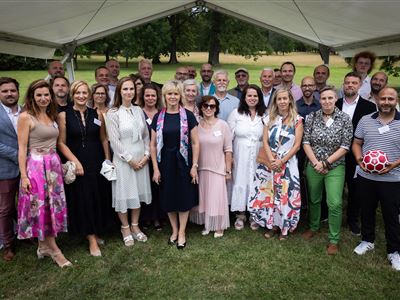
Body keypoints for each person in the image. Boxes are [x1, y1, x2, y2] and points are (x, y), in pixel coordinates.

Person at [17, 79, 70, 267]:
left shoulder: (51, 115)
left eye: (46, 94)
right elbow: (22, 148)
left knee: (51, 205)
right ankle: (55, 250)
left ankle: (43, 246)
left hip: (53, 166)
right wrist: (24, 176)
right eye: (38, 95)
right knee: (41, 207)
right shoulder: (26, 117)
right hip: (37, 168)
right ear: (32, 97)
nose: (43, 98)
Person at [57, 80, 112, 257]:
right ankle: (91, 239)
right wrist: (75, 161)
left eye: (84, 93)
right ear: (73, 95)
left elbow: (104, 139)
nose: (81, 96)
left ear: (89, 95)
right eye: (78, 93)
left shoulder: (97, 114)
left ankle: (96, 230)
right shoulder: (64, 116)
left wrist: (107, 160)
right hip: (78, 164)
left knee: (96, 197)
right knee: (84, 199)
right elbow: (61, 143)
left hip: (96, 161)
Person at [352, 87, 400, 271]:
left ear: (396, 100)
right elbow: (357, 143)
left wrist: (393, 164)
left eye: (390, 98)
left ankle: (394, 251)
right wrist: (359, 160)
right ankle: (367, 240)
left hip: (393, 179)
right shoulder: (366, 120)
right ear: (376, 100)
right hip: (366, 176)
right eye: (383, 98)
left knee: (391, 216)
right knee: (367, 211)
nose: (386, 102)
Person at [302, 86, 353, 255]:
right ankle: (314, 226)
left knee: (334, 202)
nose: (327, 102)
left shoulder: (345, 119)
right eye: (323, 98)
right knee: (314, 199)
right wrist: (316, 163)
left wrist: (325, 163)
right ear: (320, 100)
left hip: (335, 166)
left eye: (330, 98)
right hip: (314, 164)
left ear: (336, 99)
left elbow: (345, 146)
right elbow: (306, 142)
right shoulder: (311, 117)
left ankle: (333, 239)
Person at [150, 80, 199, 249]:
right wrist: (156, 169)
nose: (172, 97)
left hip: (183, 162)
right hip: (165, 163)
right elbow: (153, 145)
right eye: (169, 94)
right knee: (168, 196)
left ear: (180, 96)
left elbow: (195, 143)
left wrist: (194, 166)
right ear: (165, 96)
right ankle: (174, 230)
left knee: (183, 196)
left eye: (176, 94)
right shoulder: (158, 117)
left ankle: (183, 232)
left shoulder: (188, 116)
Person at [249, 89, 303, 240]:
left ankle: (284, 227)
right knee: (270, 194)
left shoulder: (297, 120)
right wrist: (272, 159)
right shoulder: (268, 118)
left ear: (290, 100)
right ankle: (272, 225)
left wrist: (282, 161)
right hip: (269, 163)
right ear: (275, 101)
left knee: (285, 195)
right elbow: (265, 141)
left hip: (287, 164)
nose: (283, 101)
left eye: (285, 98)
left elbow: (297, 145)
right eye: (279, 99)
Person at [106, 77, 152, 246]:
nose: (128, 92)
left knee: (138, 192)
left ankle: (135, 225)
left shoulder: (138, 110)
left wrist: (146, 155)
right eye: (125, 89)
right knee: (124, 194)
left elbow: (146, 135)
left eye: (131, 89)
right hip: (124, 160)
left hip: (141, 159)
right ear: (119, 91)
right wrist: (131, 160)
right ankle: (125, 227)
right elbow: (114, 141)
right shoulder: (113, 113)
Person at [336, 72, 376, 235]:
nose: (350, 85)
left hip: (356, 155)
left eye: (353, 83)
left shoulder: (369, 107)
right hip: (336, 153)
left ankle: (352, 220)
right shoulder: (335, 103)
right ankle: (333, 218)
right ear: (343, 85)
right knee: (335, 189)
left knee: (355, 190)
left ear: (360, 85)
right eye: (347, 83)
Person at [190, 96, 232, 238]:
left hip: (217, 168)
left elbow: (228, 149)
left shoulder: (223, 125)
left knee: (217, 199)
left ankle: (219, 226)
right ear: (201, 108)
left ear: (216, 108)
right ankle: (208, 224)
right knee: (205, 199)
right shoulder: (196, 125)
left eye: (212, 106)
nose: (208, 108)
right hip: (201, 168)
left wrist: (228, 170)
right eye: (206, 105)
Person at [227, 84, 266, 230]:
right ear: (244, 98)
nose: (252, 98)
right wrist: (229, 157)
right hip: (240, 153)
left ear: (259, 98)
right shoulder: (236, 113)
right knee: (241, 180)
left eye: (255, 95)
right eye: (249, 95)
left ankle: (254, 214)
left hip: (258, 153)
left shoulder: (265, 115)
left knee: (256, 182)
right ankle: (240, 214)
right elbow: (228, 139)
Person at [138, 83, 165, 230]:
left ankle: (158, 217)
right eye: (147, 95)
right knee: (145, 186)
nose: (150, 98)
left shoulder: (162, 113)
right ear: (143, 97)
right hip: (142, 156)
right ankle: (146, 217)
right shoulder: (138, 113)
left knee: (158, 186)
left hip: (159, 155)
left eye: (153, 95)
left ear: (157, 97)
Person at [0, 77, 21, 261]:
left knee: (26, 205)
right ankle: (8, 244)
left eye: (12, 90)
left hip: (28, 169)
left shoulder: (26, 111)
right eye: (5, 91)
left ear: (18, 92)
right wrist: (19, 156)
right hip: (5, 168)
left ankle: (27, 234)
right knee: (5, 209)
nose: (9, 94)